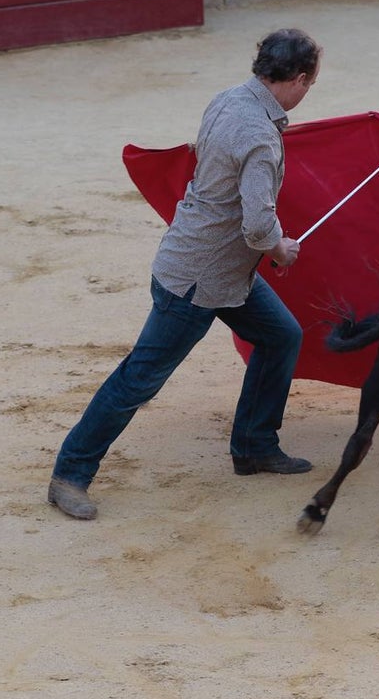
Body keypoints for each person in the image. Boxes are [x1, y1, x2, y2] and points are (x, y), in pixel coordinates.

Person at [47, 28, 323, 520]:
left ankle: (254, 445)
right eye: (310, 85)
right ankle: (71, 473)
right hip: (197, 281)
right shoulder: (260, 135)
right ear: (299, 80)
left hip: (211, 266)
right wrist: (280, 249)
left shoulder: (229, 98)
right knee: (139, 379)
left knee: (281, 336)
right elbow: (258, 225)